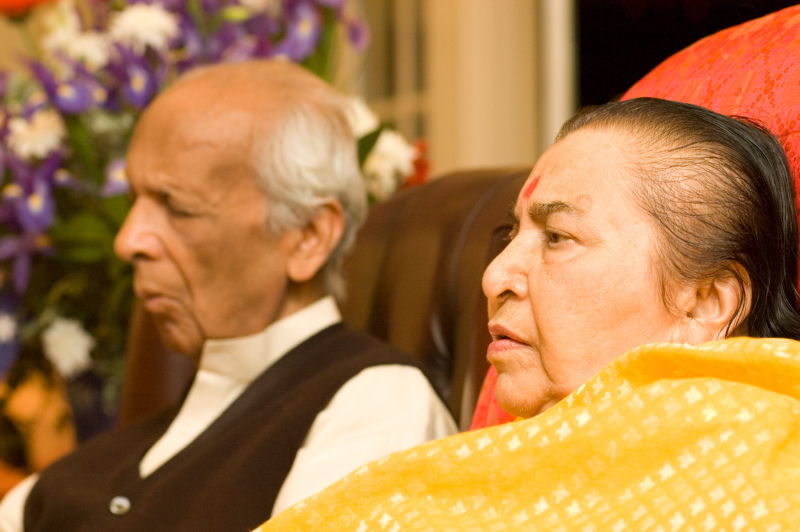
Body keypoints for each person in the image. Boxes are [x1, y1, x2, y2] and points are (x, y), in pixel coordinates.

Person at [256, 98, 800, 530]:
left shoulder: (768, 468)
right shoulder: (483, 468)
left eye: (559, 237)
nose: (493, 278)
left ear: (707, 303)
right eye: (512, 234)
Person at [0, 60, 456, 532]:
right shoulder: (117, 452)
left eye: (177, 207)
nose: (128, 240)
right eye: (135, 199)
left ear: (308, 236)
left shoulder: (376, 408)